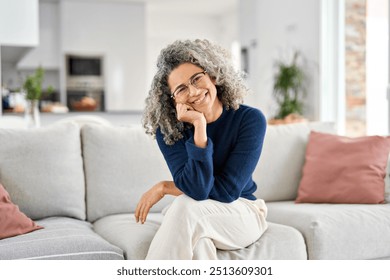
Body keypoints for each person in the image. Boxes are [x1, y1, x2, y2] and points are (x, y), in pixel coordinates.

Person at [136, 39, 268, 260]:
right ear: (173, 100)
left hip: (242, 210)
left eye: (197, 79)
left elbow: (226, 191)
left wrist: (165, 187)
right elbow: (197, 190)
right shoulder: (169, 131)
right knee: (199, 244)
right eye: (181, 89)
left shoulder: (250, 120)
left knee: (184, 208)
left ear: (213, 76)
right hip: (199, 211)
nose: (194, 91)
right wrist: (199, 127)